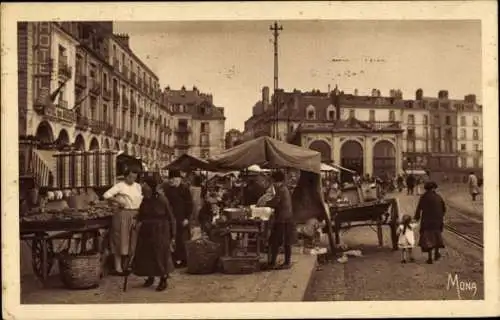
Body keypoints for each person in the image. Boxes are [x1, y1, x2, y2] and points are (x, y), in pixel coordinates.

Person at [132, 179, 176, 292]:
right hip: (146, 229)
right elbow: (141, 213)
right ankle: (150, 276)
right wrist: (136, 220)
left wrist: (173, 234)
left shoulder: (162, 199)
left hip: (160, 229)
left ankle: (163, 279)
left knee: (159, 254)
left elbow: (170, 216)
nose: (142, 192)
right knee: (147, 254)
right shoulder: (145, 200)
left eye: (145, 189)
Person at [103, 168, 143, 274]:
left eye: (134, 177)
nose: (132, 179)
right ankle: (118, 267)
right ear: (125, 176)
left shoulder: (138, 186)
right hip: (123, 214)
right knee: (121, 240)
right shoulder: (120, 185)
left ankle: (128, 265)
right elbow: (106, 195)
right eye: (130, 177)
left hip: (135, 214)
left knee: (133, 240)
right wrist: (117, 201)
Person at [258, 171, 294, 270]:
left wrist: (264, 204)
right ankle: (285, 262)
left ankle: (273, 263)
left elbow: (275, 202)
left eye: (272, 180)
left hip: (282, 219)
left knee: (275, 241)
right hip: (287, 218)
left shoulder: (280, 189)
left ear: (274, 180)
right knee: (285, 241)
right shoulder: (284, 188)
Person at [161, 170, 193, 268]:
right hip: (170, 218)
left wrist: (187, 218)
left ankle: (184, 259)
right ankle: (173, 259)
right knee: (171, 239)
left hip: (181, 218)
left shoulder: (184, 189)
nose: (171, 181)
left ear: (179, 179)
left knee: (182, 239)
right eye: (170, 179)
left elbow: (189, 204)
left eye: (174, 179)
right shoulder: (166, 189)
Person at [414, 181, 446, 264]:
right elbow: (444, 209)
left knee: (428, 239)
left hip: (427, 222)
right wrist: (440, 218)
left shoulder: (423, 197)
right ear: (434, 188)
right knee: (437, 237)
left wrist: (416, 218)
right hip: (437, 222)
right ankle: (436, 253)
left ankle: (429, 258)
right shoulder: (438, 197)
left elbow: (419, 209)